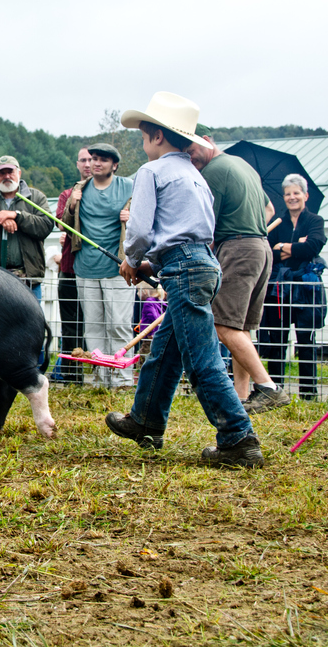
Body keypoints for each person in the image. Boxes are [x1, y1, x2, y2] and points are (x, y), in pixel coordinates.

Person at [103, 92, 264, 468]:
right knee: (167, 350)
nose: (143, 145)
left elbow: (141, 228)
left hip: (184, 267)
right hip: (203, 263)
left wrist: (132, 260)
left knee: (201, 357)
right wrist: (155, 264)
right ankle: (145, 420)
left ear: (157, 136)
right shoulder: (195, 175)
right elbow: (190, 234)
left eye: (143, 136)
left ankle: (238, 437)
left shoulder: (153, 171)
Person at [185, 130, 289, 413]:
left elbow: (205, 226)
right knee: (240, 327)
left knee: (224, 325)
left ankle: (268, 387)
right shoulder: (242, 164)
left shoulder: (213, 172)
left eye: (190, 147)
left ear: (206, 139)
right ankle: (241, 396)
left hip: (238, 249)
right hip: (260, 247)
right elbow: (268, 209)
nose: (188, 155)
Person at [62, 143, 136, 386]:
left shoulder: (128, 186)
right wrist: (72, 204)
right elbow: (64, 223)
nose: (96, 163)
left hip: (118, 269)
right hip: (86, 267)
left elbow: (149, 218)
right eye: (93, 158)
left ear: (114, 165)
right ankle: (98, 380)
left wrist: (131, 217)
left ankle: (122, 381)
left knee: (118, 326)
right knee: (92, 327)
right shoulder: (80, 188)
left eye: (103, 159)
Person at [258, 174, 327, 400]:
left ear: (305, 196)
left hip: (305, 290)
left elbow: (315, 245)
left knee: (306, 341)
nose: (292, 197)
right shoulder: (277, 222)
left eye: (296, 193)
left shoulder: (315, 221)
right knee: (277, 339)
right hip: (279, 288)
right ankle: (274, 391)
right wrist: (298, 246)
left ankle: (308, 393)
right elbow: (268, 251)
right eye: (287, 194)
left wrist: (285, 247)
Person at [0, 156, 55, 300]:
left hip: (29, 278)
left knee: (30, 322)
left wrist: (17, 216)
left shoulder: (36, 197)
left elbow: (45, 226)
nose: (6, 176)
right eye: (2, 173)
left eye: (10, 172)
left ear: (19, 173)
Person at [51, 148, 93, 382]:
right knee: (70, 325)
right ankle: (71, 375)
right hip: (69, 267)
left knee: (95, 324)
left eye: (92, 160)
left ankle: (100, 372)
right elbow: (60, 224)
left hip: (97, 269)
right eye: (84, 160)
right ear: (77, 164)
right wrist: (72, 205)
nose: (88, 164)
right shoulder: (67, 194)